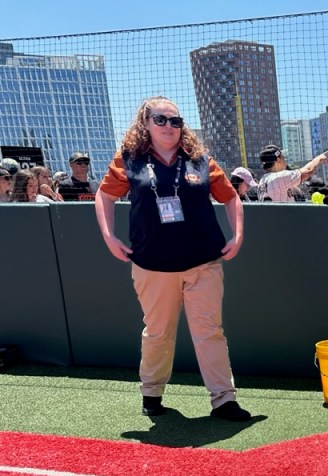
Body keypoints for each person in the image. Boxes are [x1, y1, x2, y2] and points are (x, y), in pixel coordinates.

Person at [94, 95, 250, 422]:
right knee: (158, 332)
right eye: (161, 120)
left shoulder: (199, 160)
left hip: (203, 262)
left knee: (209, 331)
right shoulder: (128, 160)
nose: (169, 126)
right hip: (152, 264)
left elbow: (231, 197)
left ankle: (224, 399)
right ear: (146, 123)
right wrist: (109, 237)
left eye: (175, 121)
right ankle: (151, 393)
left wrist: (237, 235)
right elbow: (104, 196)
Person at [255, 145, 328, 202]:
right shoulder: (278, 177)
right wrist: (319, 158)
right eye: (283, 157)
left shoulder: (262, 181)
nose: (285, 160)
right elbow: (308, 171)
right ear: (278, 159)